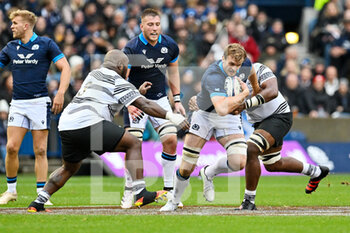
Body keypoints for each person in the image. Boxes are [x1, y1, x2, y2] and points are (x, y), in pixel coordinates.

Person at [27, 49, 189, 212]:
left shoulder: (93, 74)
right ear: (120, 66)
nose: (128, 69)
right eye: (127, 66)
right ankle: (140, 192)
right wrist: (171, 116)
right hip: (88, 122)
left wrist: (136, 93)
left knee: (69, 167)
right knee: (133, 143)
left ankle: (39, 201)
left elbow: (109, 100)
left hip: (67, 125)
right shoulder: (117, 80)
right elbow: (145, 105)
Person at [190, 62, 330, 210]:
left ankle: (248, 200)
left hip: (279, 115)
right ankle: (317, 172)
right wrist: (200, 102)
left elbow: (272, 91)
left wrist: (244, 105)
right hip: (259, 122)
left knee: (251, 149)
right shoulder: (224, 80)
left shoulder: (258, 68)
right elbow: (222, 104)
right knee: (273, 164)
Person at [160, 43, 260, 211]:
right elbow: (221, 109)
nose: (234, 69)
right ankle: (174, 201)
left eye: (238, 65)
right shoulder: (213, 75)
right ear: (223, 59)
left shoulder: (245, 64)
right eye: (231, 64)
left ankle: (208, 172)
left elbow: (251, 71)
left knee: (239, 161)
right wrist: (244, 94)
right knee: (186, 167)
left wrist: (256, 89)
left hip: (229, 117)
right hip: (205, 114)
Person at [0, 10, 71, 205]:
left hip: (39, 102)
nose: (11, 26)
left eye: (15, 23)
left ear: (26, 26)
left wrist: (60, 93)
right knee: (12, 147)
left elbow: (65, 67)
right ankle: (11, 191)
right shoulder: (10, 47)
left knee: (40, 150)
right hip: (18, 103)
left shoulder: (46, 44)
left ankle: (42, 193)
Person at [120, 8, 187, 209]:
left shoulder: (169, 45)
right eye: (150, 24)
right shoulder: (131, 48)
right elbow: (122, 79)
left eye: (157, 24)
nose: (154, 28)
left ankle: (169, 192)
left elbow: (173, 73)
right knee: (133, 145)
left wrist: (176, 100)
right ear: (141, 26)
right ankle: (129, 191)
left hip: (159, 100)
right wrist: (129, 103)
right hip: (137, 100)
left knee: (171, 140)